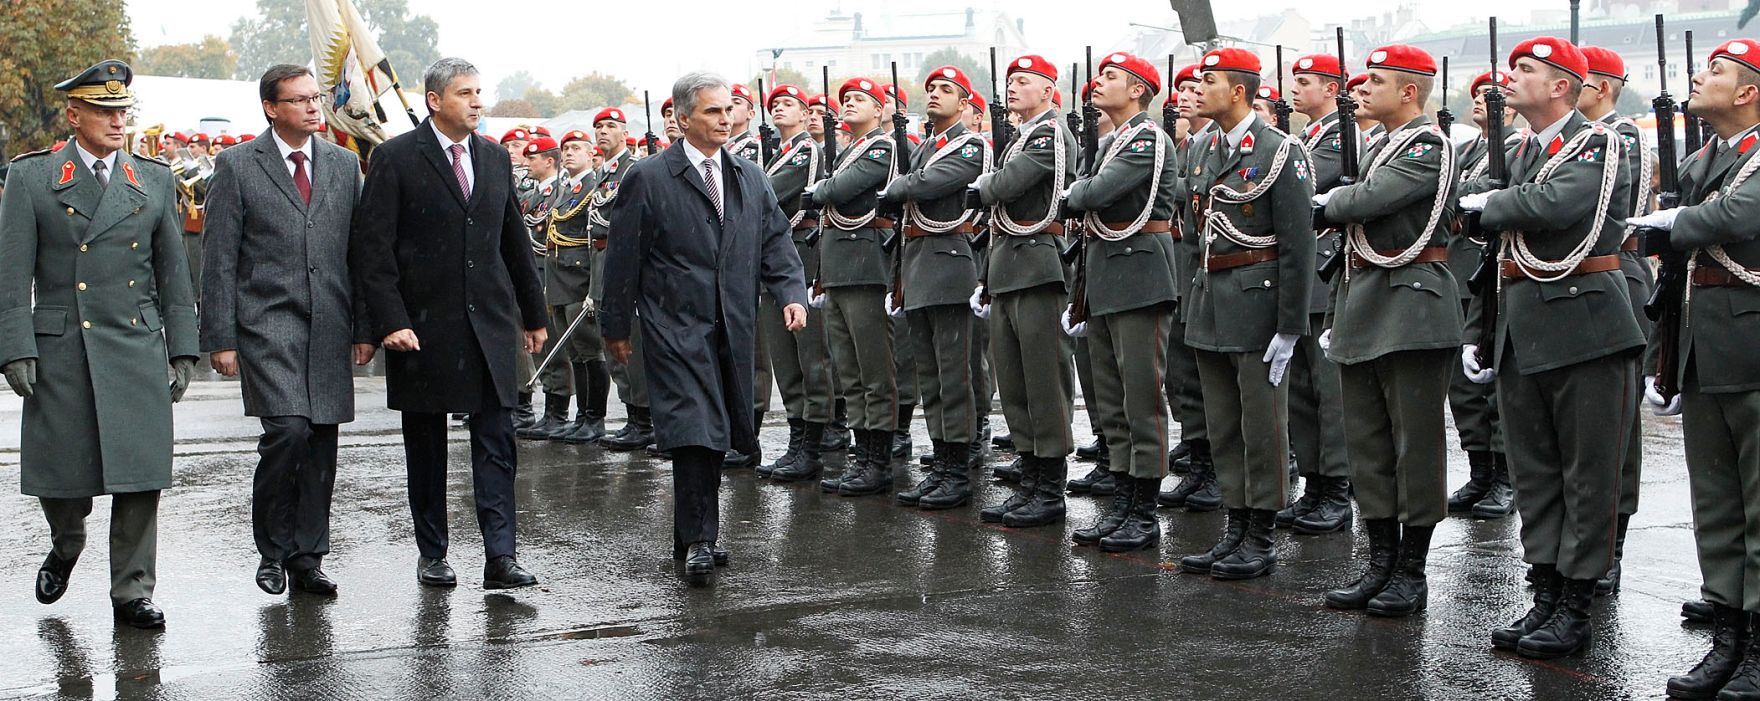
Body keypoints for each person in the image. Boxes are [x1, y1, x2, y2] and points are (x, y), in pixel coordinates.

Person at [1457, 36, 1643, 659]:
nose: (1510, 79)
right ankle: (1544, 591)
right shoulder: (1515, 147)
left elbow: (1553, 204)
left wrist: (1493, 204)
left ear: (1563, 84)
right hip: (1523, 324)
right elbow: (1472, 218)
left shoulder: (1600, 142)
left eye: (1526, 70)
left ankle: (1577, 604)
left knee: (1587, 474)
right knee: (1536, 474)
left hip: (1586, 324)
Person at [0, 59, 198, 629]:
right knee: (61, 472)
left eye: (122, 111)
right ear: (74, 115)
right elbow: (12, 273)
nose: (117, 121)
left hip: (133, 341)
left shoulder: (153, 179)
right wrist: (15, 346)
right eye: (104, 111)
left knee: (139, 473)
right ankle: (66, 543)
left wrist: (183, 348)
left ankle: (132, 591)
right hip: (61, 346)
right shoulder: (34, 177)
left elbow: (174, 275)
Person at [349, 57, 549, 590]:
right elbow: (375, 251)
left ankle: (500, 556)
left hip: (490, 324)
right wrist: (389, 320)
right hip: (422, 326)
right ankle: (433, 551)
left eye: (480, 92)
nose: (478, 103)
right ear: (435, 100)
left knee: (497, 439)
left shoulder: (493, 158)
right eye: (466, 93)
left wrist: (533, 314)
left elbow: (513, 242)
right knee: (427, 446)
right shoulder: (395, 158)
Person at [600, 72, 808, 580]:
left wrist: (791, 293)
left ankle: (690, 532)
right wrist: (616, 328)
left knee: (717, 430)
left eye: (729, 110)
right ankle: (699, 540)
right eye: (712, 111)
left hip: (732, 324)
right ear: (683, 118)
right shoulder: (649, 177)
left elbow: (775, 240)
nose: (725, 119)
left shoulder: (747, 175)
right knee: (695, 430)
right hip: (674, 324)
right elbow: (624, 256)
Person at [200, 64, 369, 597]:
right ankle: (272, 551)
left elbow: (360, 255)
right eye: (299, 100)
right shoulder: (237, 165)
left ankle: (308, 557)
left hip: (330, 322)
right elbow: (219, 256)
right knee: (288, 431)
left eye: (316, 98)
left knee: (321, 440)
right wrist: (220, 337)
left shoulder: (344, 165)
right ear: (272, 108)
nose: (314, 107)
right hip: (266, 323)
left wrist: (364, 327)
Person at [1633, 37, 1760, 700]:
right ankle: (1728, 634)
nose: (1698, 77)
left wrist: (1677, 215)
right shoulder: (1704, 154)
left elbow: (1741, 215)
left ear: (1748, 92)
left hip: (1752, 348)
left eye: (1716, 71)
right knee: (1715, 504)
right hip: (1704, 349)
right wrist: (1668, 360)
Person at [1314, 45, 1460, 615]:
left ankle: (1412, 568)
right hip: (1365, 301)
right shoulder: (1380, 145)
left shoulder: (1427, 144)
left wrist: (1332, 200)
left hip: (1411, 305)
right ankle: (1380, 559)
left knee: (1414, 443)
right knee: (1368, 440)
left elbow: (1370, 201)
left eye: (1375, 82)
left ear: (1409, 92)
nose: (1361, 90)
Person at [1178, 48, 1315, 579]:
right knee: (1224, 423)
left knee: (1262, 425)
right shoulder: (1204, 148)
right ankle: (1234, 526)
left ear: (1238, 91)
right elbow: (1195, 236)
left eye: (1208, 80)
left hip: (1258, 305)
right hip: (1211, 301)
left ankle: (1260, 533)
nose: (1198, 87)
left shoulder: (1281, 152)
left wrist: (1290, 326)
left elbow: (1298, 246)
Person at [1062, 52, 1181, 553]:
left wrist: (1080, 190)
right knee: (1112, 400)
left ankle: (1144, 512)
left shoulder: (1146, 138)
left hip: (1139, 278)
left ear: (1138, 90)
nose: (1097, 83)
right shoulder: (1111, 141)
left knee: (1141, 399)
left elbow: (1092, 194)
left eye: (1110, 77)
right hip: (1109, 278)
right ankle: (1124, 502)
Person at [972, 55, 1077, 527]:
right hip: (1008, 265)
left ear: (1049, 91)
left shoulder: (1048, 134)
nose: (1013, 88)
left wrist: (985, 184)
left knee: (1043, 380)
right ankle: (1031, 474)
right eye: (1010, 81)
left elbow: (1009, 185)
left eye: (1024, 82)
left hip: (1037, 265)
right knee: (1014, 382)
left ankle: (1050, 485)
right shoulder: (1020, 137)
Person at [883, 65, 988, 510]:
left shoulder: (971, 145)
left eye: (946, 90)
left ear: (965, 103)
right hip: (919, 264)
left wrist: (899, 186)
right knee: (930, 375)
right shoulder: (929, 144)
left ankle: (958, 469)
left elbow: (929, 184)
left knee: (954, 374)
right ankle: (943, 463)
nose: (935, 95)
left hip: (949, 267)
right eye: (931, 89)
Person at [1578, 45, 1653, 595]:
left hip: (1614, 271)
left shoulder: (1618, 136)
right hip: (1575, 273)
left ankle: (1613, 547)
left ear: (1599, 86)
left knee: (1614, 430)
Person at [808, 77, 904, 496]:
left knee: (874, 370)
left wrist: (821, 190)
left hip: (866, 268)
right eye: (845, 99)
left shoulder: (882, 147)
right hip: (839, 269)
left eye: (859, 99)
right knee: (850, 370)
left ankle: (877, 460)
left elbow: (840, 190)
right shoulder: (846, 150)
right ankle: (861, 454)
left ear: (880, 109)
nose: (848, 104)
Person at [1278, 53, 1354, 534]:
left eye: (1305, 82)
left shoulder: (1342, 139)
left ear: (1331, 89)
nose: (1295, 90)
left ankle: (1337, 489)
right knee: (1301, 393)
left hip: (1326, 281)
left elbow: (1301, 187)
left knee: (1330, 394)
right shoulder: (1306, 139)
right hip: (1302, 281)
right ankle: (1313, 482)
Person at [1444, 70, 1519, 520]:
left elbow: (1487, 195)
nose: (1478, 100)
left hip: (1489, 275)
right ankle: (1480, 471)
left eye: (1489, 96)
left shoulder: (1514, 146)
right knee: (1463, 386)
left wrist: (1464, 193)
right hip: (1459, 274)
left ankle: (1505, 478)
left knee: (1492, 382)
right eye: (1475, 93)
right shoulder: (1468, 148)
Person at [754, 83, 837, 482]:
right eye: (775, 104)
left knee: (810, 358)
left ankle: (813, 446)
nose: (780, 109)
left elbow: (767, 193)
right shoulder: (777, 155)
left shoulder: (807, 151)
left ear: (807, 115)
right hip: (774, 259)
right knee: (785, 360)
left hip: (802, 255)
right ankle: (796, 439)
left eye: (789, 104)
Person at [1156, 64, 1222, 510]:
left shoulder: (1217, 143)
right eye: (1181, 87)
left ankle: (1215, 467)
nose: (1186, 95)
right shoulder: (1188, 143)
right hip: (1183, 263)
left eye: (1196, 87)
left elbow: (1201, 191)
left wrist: (1164, 181)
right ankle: (1198, 457)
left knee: (1207, 373)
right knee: (1182, 373)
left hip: (1205, 262)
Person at [587, 108, 655, 451]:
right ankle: (632, 416)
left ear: (625, 132)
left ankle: (644, 419)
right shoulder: (604, 173)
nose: (602, 132)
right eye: (598, 127)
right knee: (612, 349)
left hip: (624, 264)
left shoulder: (633, 169)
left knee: (631, 347)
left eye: (610, 126)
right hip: (601, 263)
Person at [542, 130, 611, 445]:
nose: (568, 153)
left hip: (579, 278)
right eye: (565, 148)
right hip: (560, 279)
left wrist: (593, 290)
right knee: (574, 353)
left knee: (588, 350)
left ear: (591, 154)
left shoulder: (594, 186)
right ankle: (582, 415)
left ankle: (594, 418)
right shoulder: (566, 189)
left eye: (576, 149)